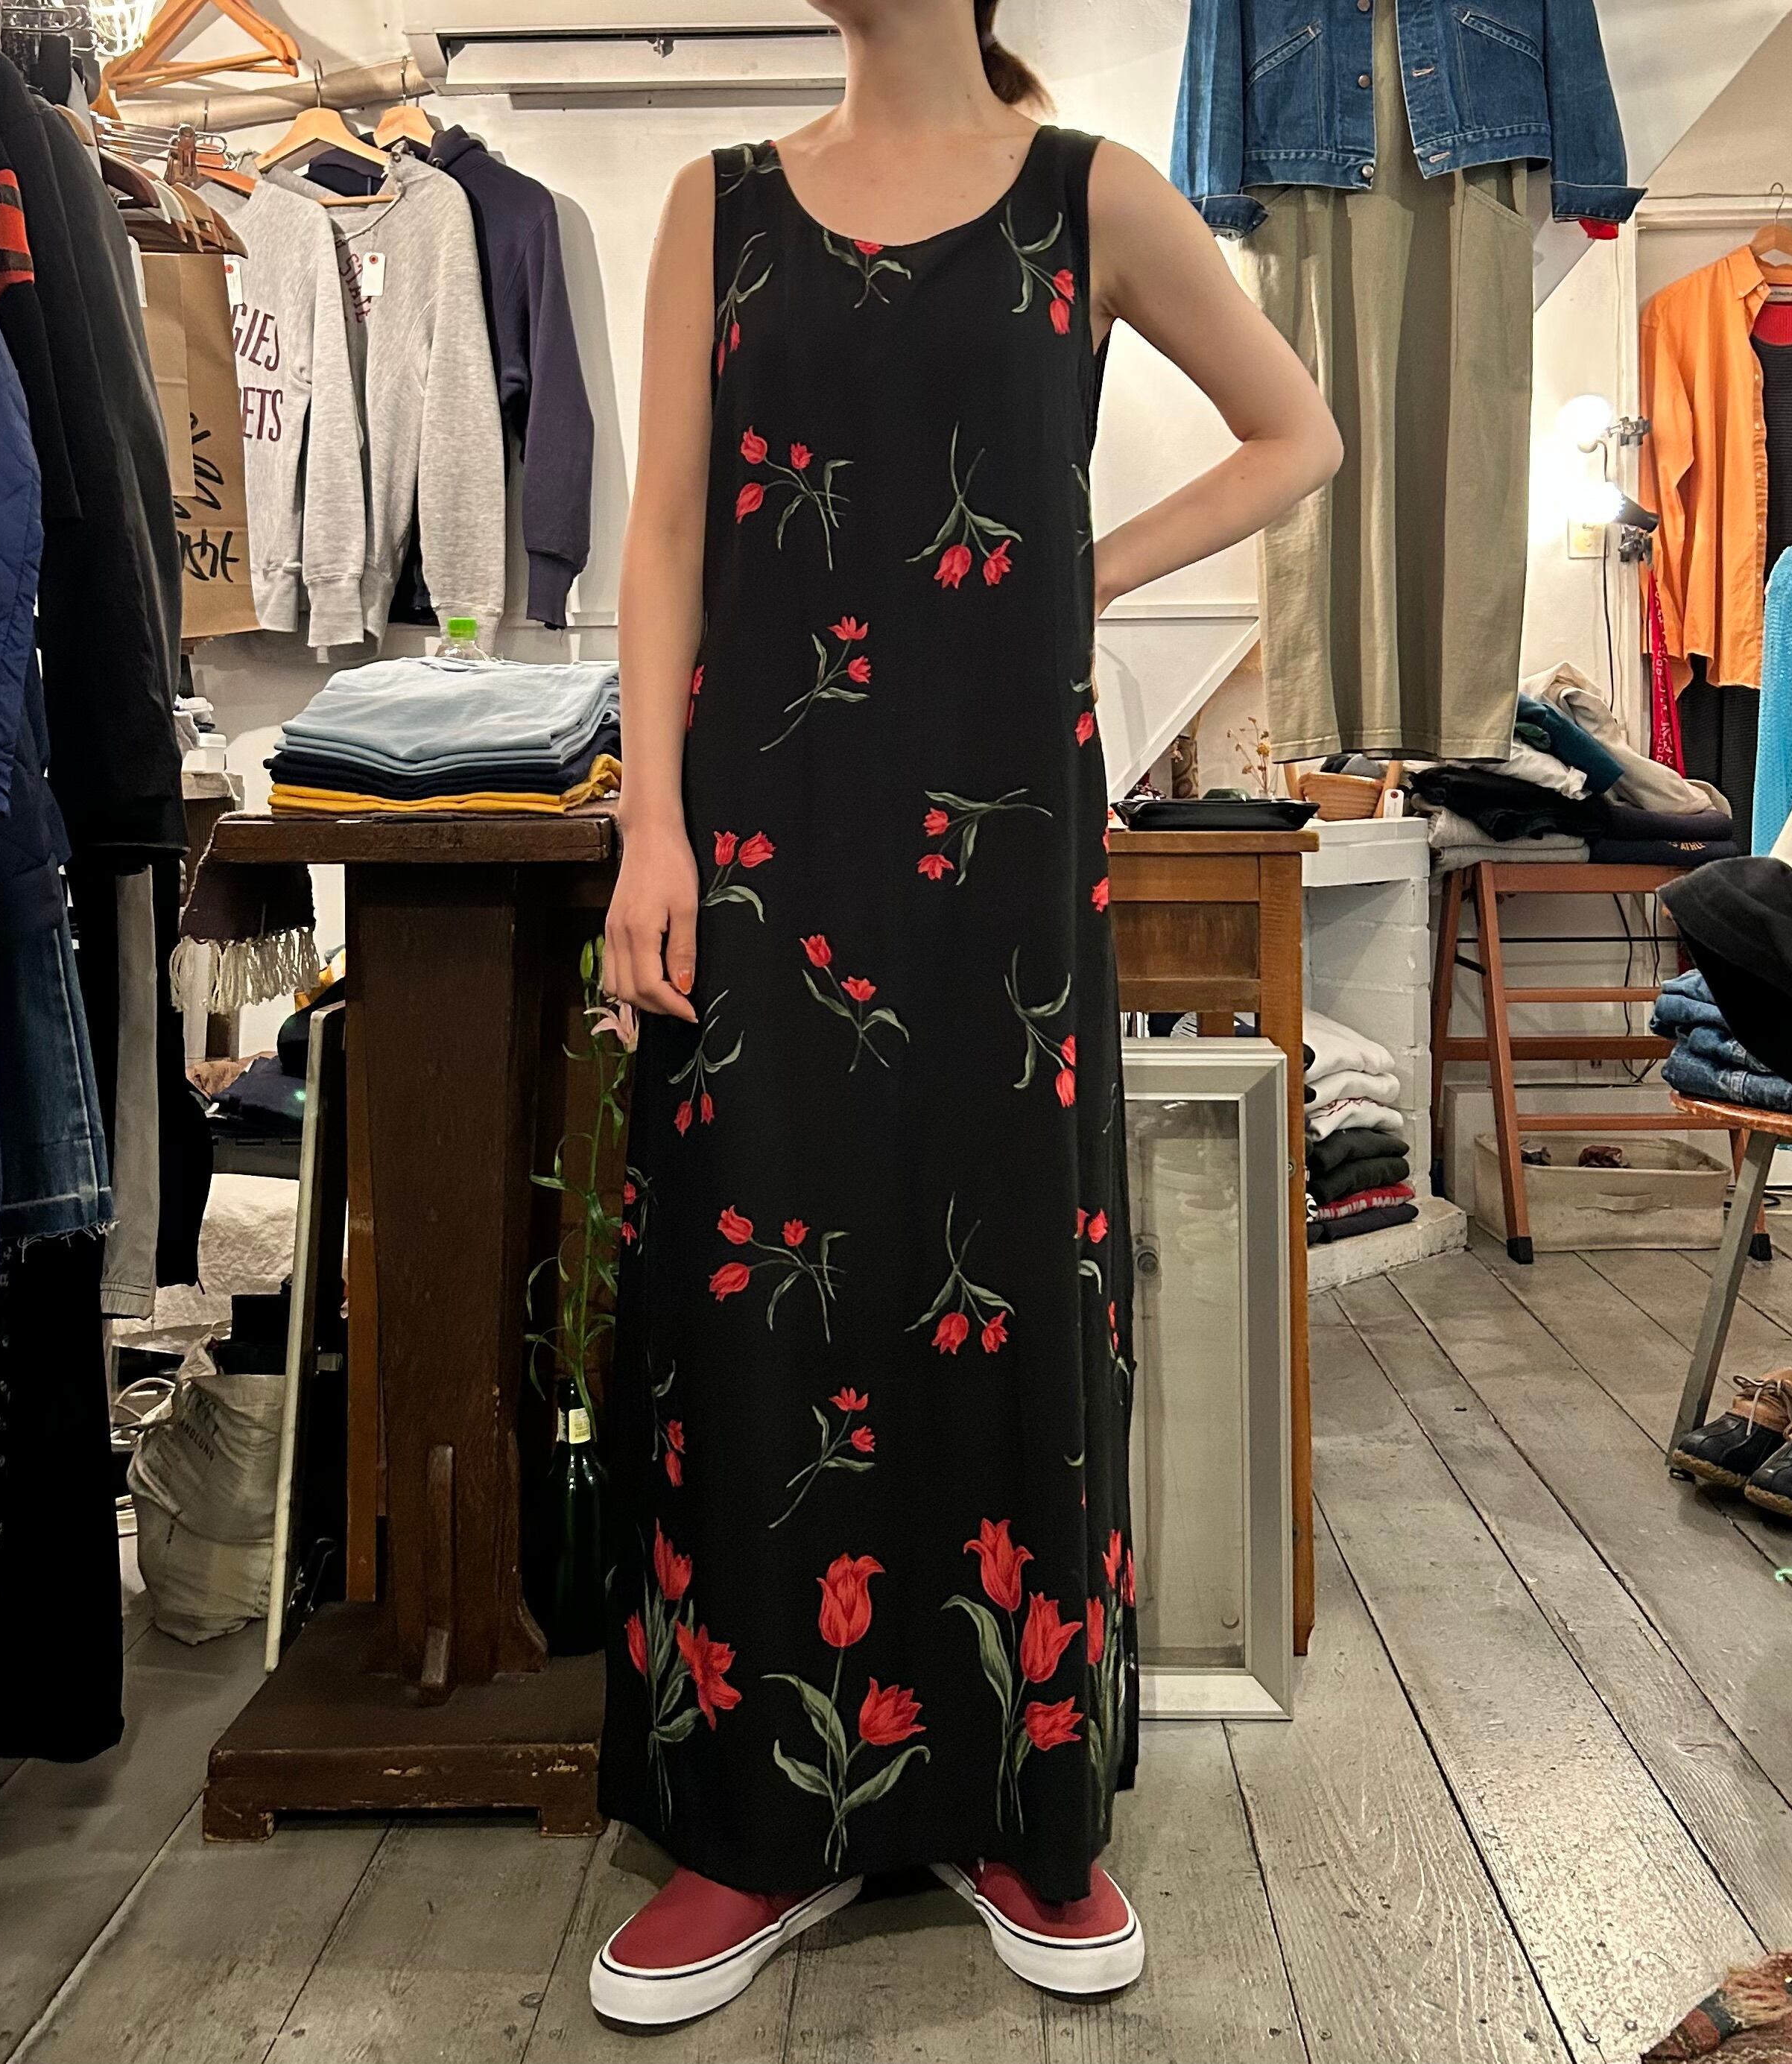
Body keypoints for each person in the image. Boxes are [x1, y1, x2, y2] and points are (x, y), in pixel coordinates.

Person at [593, 0, 1341, 2025]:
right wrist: (648, 826)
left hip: (1000, 838)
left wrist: (1079, 571)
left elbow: (1299, 433)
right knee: (755, 1289)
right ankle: (750, 1820)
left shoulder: (1089, 199)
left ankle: (1019, 1796)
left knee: (1004, 1269)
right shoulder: (719, 206)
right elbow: (664, 531)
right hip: (762, 828)